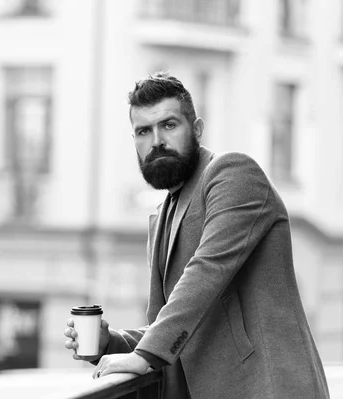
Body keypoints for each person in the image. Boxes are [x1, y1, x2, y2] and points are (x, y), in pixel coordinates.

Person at [64, 72, 329, 398]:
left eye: (169, 125)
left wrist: (144, 356)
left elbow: (207, 271)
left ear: (198, 129)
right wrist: (112, 344)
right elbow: (177, 324)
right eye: (143, 131)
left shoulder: (233, 174)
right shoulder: (163, 217)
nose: (157, 140)